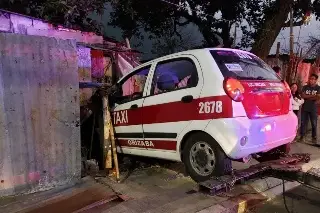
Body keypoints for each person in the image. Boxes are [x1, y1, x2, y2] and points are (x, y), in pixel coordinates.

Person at [300, 74, 320, 143]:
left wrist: (307, 96)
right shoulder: (305, 87)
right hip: (305, 108)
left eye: (313, 79)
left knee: (314, 124)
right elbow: (303, 96)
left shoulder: (318, 88)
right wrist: (314, 95)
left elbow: (318, 98)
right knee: (303, 123)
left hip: (313, 109)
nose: (311, 80)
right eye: (310, 78)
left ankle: (313, 137)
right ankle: (302, 136)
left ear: (316, 80)